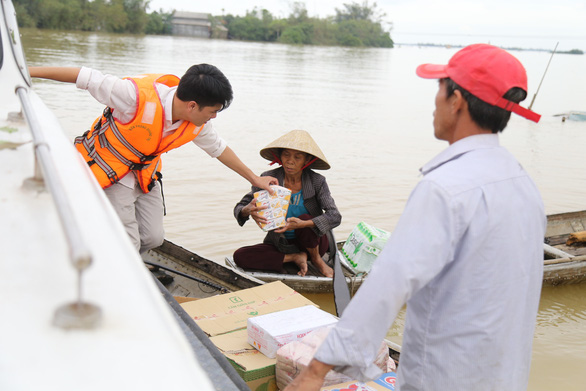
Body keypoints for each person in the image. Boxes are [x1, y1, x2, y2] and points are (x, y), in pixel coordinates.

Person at [285, 44, 545, 390]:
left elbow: (387, 285)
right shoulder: (523, 184)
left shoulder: (444, 188)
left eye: (440, 88)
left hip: (445, 378)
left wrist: (315, 371)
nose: (434, 101)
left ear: (457, 101)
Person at [28, 65, 277, 254]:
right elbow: (84, 77)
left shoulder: (197, 123)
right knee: (128, 242)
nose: (213, 117)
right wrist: (26, 72)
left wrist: (256, 179)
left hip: (145, 174)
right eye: (213, 112)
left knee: (153, 239)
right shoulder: (133, 97)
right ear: (192, 105)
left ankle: (120, 256)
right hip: (112, 171)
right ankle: (117, 272)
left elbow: (219, 149)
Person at [233, 129, 341, 277]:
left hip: (313, 243)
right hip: (281, 244)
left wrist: (303, 225)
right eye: (286, 155)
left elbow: (335, 216)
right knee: (240, 256)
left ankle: (317, 261)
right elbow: (240, 207)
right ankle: (294, 257)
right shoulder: (268, 178)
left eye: (297, 157)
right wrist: (247, 210)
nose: (290, 161)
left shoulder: (317, 181)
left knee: (304, 218)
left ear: (307, 160)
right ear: (280, 156)